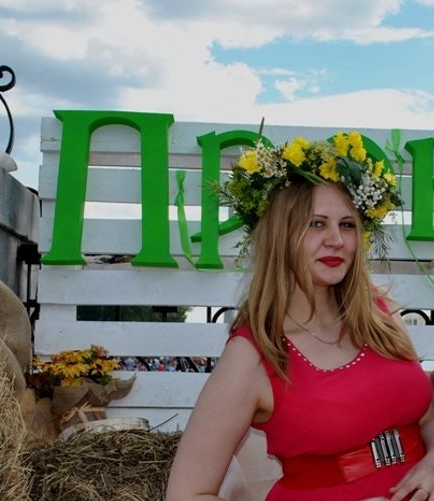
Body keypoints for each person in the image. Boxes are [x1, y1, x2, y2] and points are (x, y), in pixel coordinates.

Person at [166, 132, 434, 500]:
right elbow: (186, 494)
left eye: (347, 224)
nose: (336, 240)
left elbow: (425, 415)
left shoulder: (380, 311)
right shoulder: (252, 356)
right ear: (281, 235)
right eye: (316, 224)